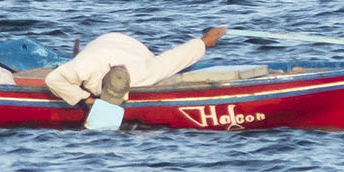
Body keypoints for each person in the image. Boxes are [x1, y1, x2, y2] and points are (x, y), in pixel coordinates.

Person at [44, 27, 228, 108]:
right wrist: (85, 99)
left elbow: (174, 59)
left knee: (161, 69)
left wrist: (204, 42)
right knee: (71, 76)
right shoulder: (86, 66)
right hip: (103, 42)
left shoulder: (143, 74)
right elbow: (53, 79)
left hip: (134, 49)